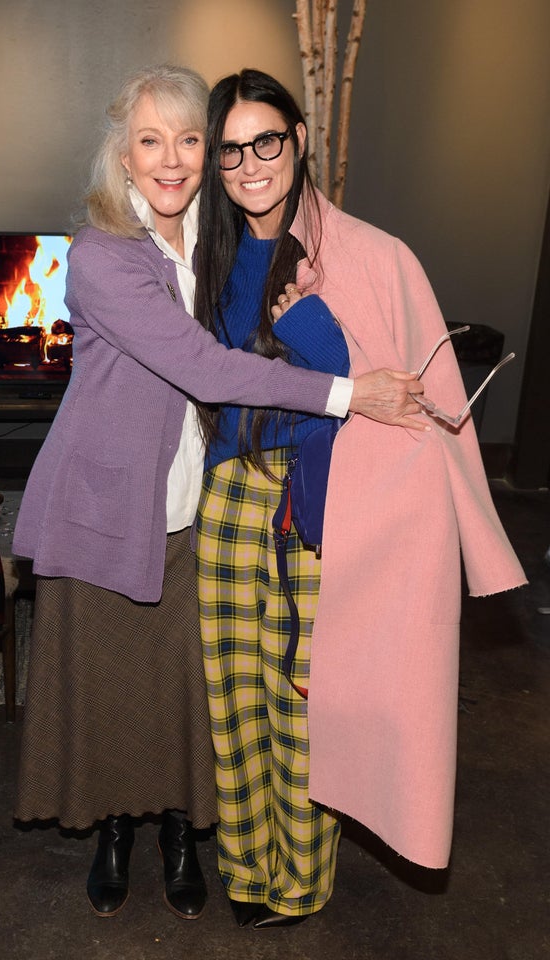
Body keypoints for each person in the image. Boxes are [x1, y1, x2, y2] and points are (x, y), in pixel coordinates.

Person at [12, 65, 422, 925]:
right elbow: (204, 365)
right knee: (109, 687)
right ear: (122, 157)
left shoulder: (210, 233)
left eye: (190, 139)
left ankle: (175, 834)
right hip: (106, 512)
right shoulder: (101, 257)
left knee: (182, 691)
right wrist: (352, 394)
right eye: (150, 141)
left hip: (196, 508)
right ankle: (113, 836)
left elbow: (285, 260)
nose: (172, 159)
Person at [193, 68, 526, 929]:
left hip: (325, 510)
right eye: (230, 150)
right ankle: (243, 863)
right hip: (231, 498)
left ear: (300, 140)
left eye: (267, 140)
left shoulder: (372, 256)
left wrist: (313, 330)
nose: (249, 163)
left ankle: (298, 881)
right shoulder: (209, 252)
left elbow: (419, 399)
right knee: (234, 696)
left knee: (308, 703)